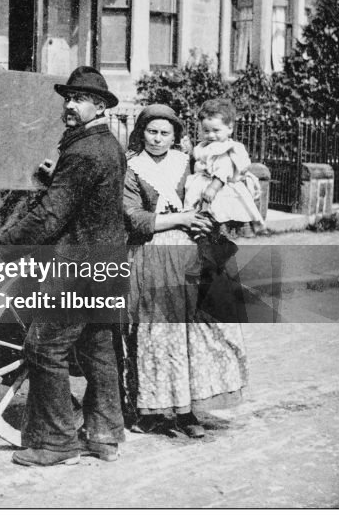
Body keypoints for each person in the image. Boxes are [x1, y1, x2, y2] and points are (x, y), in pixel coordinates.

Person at [0, 66, 127, 467]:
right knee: (97, 350)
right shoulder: (106, 144)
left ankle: (57, 444)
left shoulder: (84, 150)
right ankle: (105, 436)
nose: (70, 106)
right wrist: (55, 175)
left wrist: (0, 243)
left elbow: (50, 217)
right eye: (68, 98)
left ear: (99, 106)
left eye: (80, 100)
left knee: (43, 347)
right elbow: (83, 199)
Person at [122, 104, 248, 439]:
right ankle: (155, 412)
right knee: (157, 335)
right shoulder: (132, 167)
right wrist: (180, 218)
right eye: (152, 132)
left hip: (191, 253)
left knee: (194, 334)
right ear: (142, 133)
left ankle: (189, 411)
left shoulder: (187, 160)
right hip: (153, 254)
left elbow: (216, 181)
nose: (158, 139)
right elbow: (134, 218)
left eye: (165, 133)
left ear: (176, 135)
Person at [183, 98, 265, 236]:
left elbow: (224, 169)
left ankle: (223, 231)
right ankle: (199, 226)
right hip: (205, 181)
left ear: (230, 129)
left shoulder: (225, 148)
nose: (211, 135)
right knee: (198, 203)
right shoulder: (206, 146)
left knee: (221, 208)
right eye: (206, 131)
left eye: (216, 130)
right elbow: (200, 159)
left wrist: (213, 188)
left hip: (221, 184)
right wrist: (190, 151)